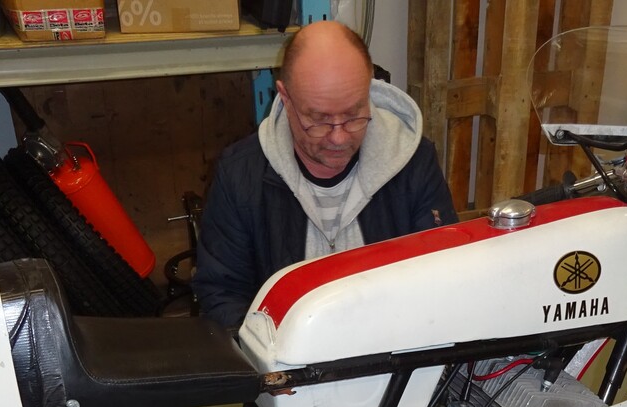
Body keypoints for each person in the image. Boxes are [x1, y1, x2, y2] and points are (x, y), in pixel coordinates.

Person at [193, 20, 458, 328]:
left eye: (354, 115)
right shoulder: (240, 176)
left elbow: (443, 274)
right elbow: (222, 294)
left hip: (393, 342)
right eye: (318, 120)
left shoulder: (413, 161)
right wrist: (277, 346)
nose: (339, 138)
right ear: (286, 98)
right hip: (283, 353)